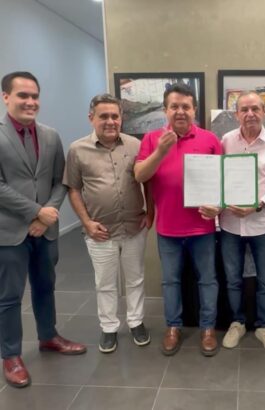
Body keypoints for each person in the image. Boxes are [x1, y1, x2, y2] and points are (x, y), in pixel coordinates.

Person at [0, 71, 86, 388]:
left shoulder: (50, 136)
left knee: (45, 286)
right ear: (5, 97)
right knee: (9, 296)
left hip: (46, 231)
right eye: (23, 95)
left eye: (34, 96)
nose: (30, 102)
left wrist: (46, 216)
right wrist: (36, 212)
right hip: (9, 232)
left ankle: (48, 336)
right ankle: (11, 355)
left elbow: (59, 180)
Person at [134, 83, 222, 356]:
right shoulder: (152, 139)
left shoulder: (210, 139)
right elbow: (140, 175)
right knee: (170, 281)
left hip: (202, 228)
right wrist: (161, 151)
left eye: (186, 106)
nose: (180, 111)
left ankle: (208, 328)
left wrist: (218, 206)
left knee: (207, 280)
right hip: (168, 228)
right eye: (174, 106)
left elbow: (222, 181)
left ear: (194, 110)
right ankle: (173, 327)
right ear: (165, 110)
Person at [64, 94, 152, 353]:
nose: (111, 121)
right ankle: (109, 327)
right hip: (100, 231)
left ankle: (136, 322)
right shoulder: (77, 150)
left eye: (115, 116)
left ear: (121, 118)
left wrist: (150, 212)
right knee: (105, 283)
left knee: (135, 279)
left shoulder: (135, 145)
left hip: (134, 227)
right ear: (91, 118)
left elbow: (147, 181)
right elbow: (73, 189)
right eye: (104, 116)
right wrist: (86, 222)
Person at [203, 92, 265, 353]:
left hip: (262, 224)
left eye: (255, 109)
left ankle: (264, 326)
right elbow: (218, 178)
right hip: (230, 225)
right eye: (244, 109)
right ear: (236, 114)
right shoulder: (226, 141)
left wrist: (257, 205)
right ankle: (237, 323)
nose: (250, 114)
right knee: (233, 279)